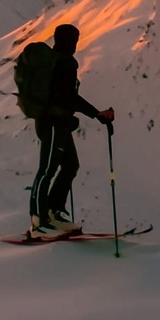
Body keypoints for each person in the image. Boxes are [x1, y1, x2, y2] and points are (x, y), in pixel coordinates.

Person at [30, 23, 114, 234]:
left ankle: (52, 212)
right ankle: (39, 220)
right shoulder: (64, 63)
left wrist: (91, 114)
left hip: (56, 124)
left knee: (69, 165)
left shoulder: (57, 61)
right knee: (48, 170)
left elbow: (66, 98)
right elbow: (69, 97)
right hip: (53, 124)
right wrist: (96, 114)